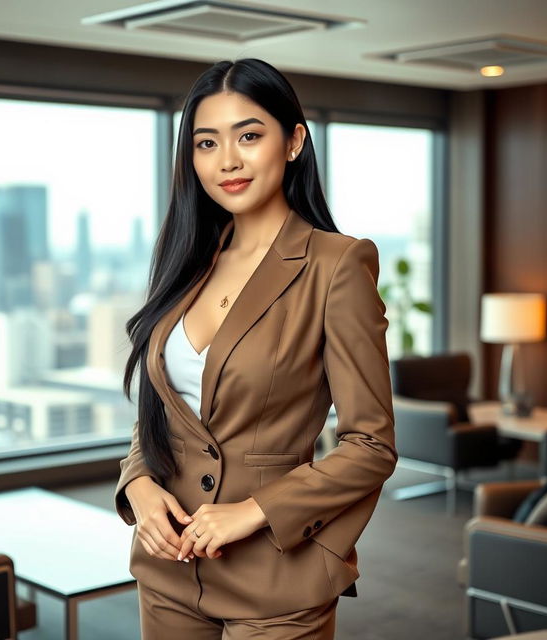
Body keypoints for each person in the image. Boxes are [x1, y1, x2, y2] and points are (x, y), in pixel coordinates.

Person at [115, 57, 398, 639]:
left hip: (277, 575)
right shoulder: (187, 259)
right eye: (206, 142)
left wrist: (254, 511)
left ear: (293, 141)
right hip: (170, 573)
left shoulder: (337, 264)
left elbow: (371, 445)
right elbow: (165, 411)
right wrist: (139, 485)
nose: (227, 161)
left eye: (249, 135)